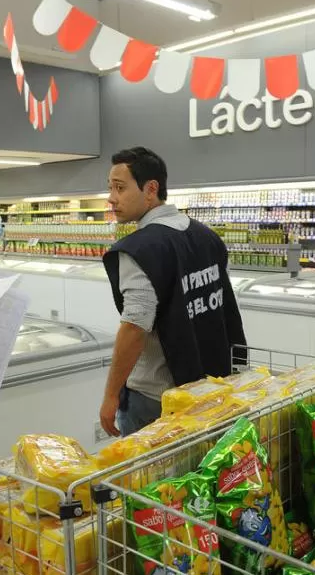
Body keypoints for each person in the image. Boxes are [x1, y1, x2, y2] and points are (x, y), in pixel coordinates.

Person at [100, 147, 246, 437]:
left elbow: (134, 328)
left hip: (155, 399)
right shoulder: (208, 237)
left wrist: (111, 395)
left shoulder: (139, 250)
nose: (111, 198)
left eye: (120, 187)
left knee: (147, 480)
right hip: (210, 389)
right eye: (110, 188)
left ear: (151, 189)